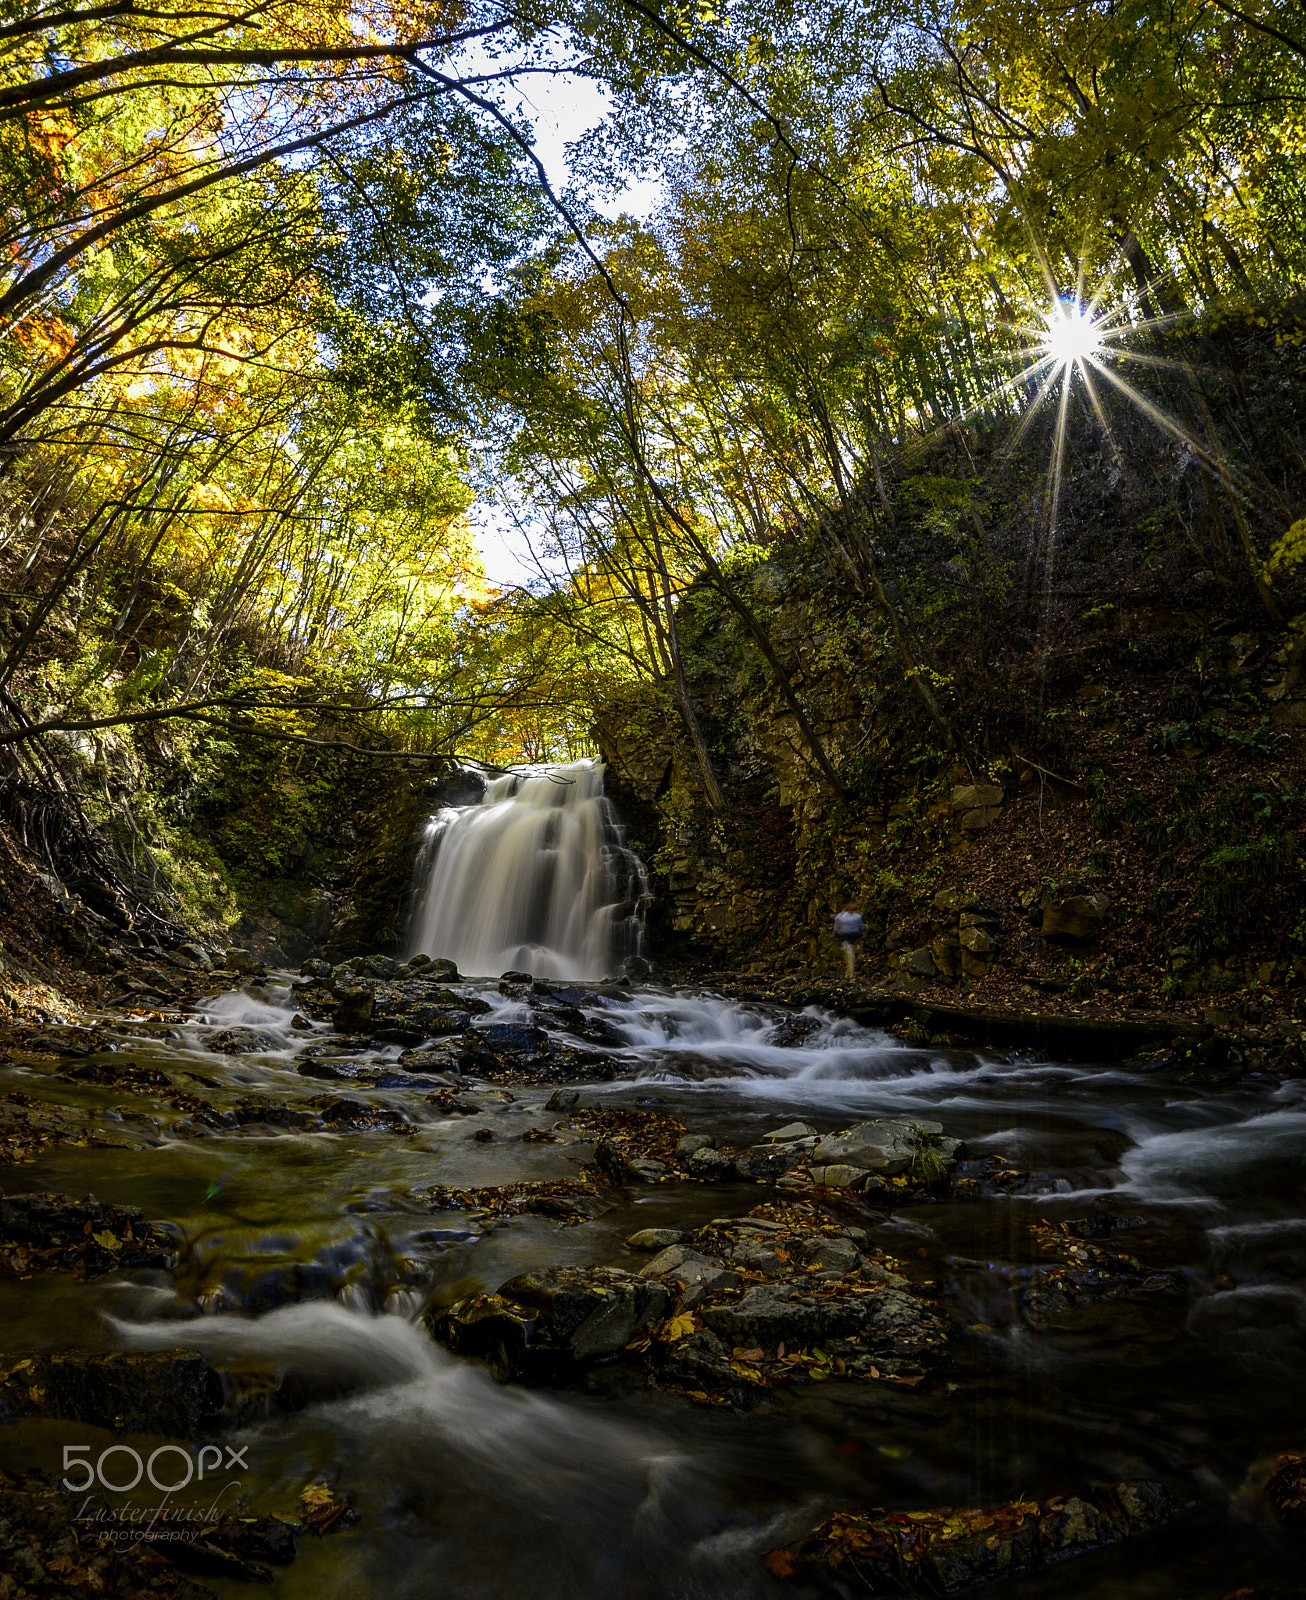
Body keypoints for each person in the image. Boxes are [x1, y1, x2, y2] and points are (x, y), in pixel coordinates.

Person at [832, 902, 865, 982]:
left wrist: (864, 934)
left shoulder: (857, 916)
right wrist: (836, 935)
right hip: (845, 939)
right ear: (846, 905)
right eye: (850, 904)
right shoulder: (840, 917)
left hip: (856, 939)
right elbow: (836, 929)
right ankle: (851, 977)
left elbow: (862, 926)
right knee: (850, 957)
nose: (852, 905)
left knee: (853, 957)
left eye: (853, 904)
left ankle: (848, 973)